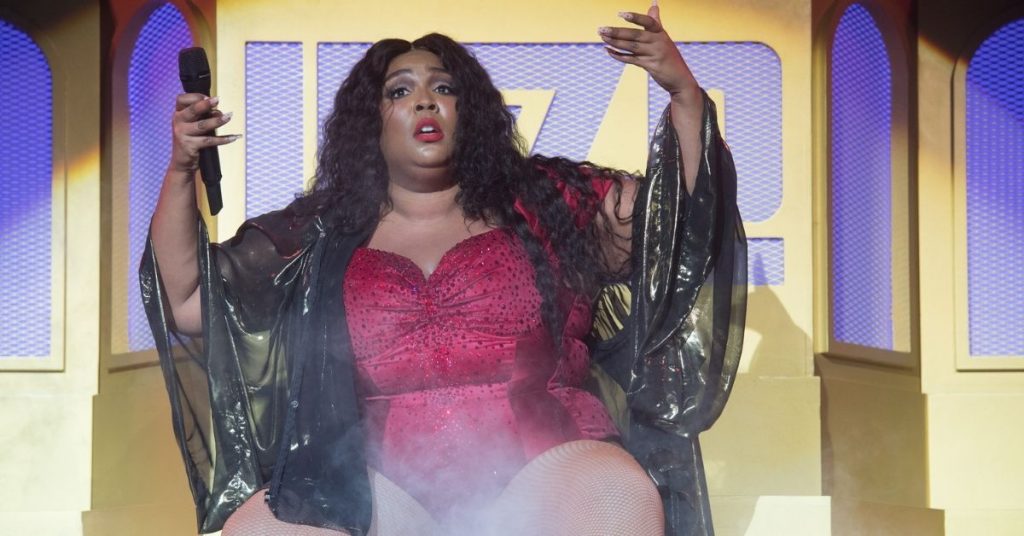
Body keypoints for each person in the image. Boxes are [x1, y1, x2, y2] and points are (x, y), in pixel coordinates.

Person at [141, 3, 746, 535]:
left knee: (615, 497)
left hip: (549, 472)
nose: (425, 101)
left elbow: (687, 230)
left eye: (444, 88)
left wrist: (683, 93)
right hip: (384, 489)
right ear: (371, 122)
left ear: (469, 111)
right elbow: (189, 302)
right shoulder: (321, 233)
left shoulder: (547, 201)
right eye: (399, 92)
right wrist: (180, 169)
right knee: (259, 529)